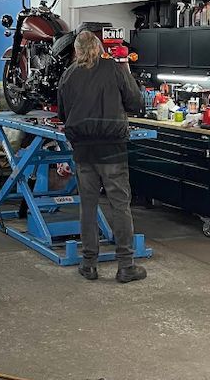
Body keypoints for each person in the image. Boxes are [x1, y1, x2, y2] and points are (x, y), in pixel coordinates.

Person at [57, 31, 146, 283]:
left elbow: (63, 113)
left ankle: (89, 264)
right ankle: (126, 266)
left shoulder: (68, 75)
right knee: (120, 204)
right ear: (99, 47)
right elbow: (135, 101)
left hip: (83, 149)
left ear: (76, 50)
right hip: (112, 148)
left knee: (88, 205)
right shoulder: (115, 69)